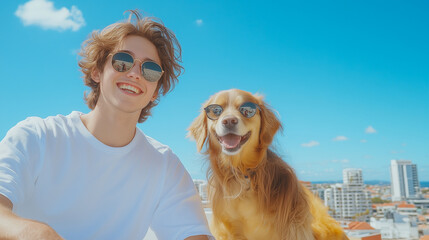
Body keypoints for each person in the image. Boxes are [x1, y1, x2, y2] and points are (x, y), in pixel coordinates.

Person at [0, 10, 212, 240]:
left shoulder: (164, 166)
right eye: (123, 61)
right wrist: (36, 233)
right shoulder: (36, 136)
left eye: (150, 70)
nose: (134, 73)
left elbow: (193, 235)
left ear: (155, 91)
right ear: (97, 71)